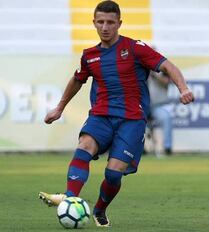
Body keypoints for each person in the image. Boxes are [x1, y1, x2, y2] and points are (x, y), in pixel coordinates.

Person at [38, 0, 194, 228]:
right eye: (100, 22)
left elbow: (169, 67)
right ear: (94, 23)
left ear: (119, 23)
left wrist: (184, 88)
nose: (105, 27)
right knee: (84, 146)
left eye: (110, 22)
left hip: (131, 120)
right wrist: (59, 107)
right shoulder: (89, 56)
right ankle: (70, 198)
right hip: (101, 115)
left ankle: (100, 209)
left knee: (114, 173)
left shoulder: (135, 48)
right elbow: (77, 80)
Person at [147, 58, 174, 156]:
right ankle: (141, 149)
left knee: (166, 117)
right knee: (135, 121)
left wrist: (154, 74)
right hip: (142, 106)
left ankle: (167, 148)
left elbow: (168, 82)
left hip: (158, 106)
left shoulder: (162, 67)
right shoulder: (138, 67)